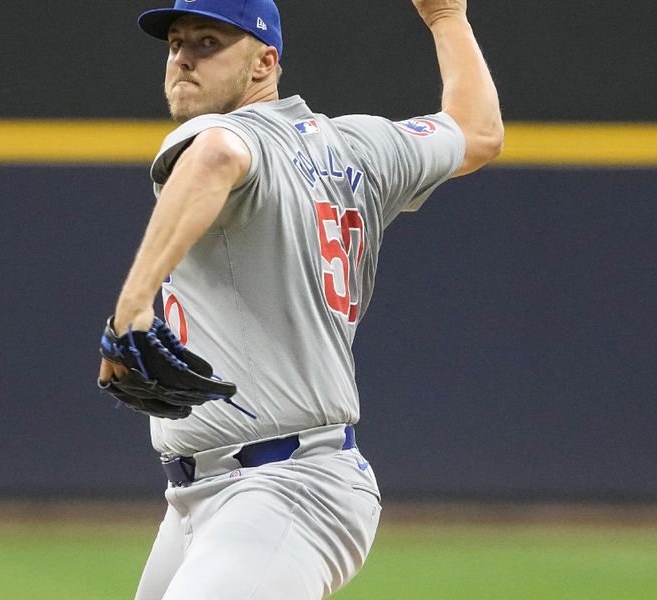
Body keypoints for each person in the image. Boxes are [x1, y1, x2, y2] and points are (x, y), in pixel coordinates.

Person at [98, 0, 503, 598]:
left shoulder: (226, 132)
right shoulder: (358, 146)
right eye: (176, 44)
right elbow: (478, 133)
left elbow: (217, 157)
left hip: (282, 488)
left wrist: (129, 312)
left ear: (264, 63)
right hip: (210, 497)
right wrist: (446, 18)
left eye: (208, 43)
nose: (182, 59)